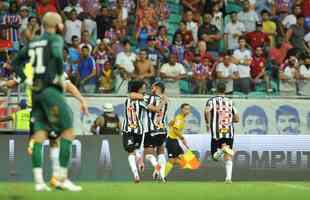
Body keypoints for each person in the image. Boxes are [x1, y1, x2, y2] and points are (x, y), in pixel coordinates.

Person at [8, 12, 81, 191]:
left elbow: (15, 62)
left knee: (39, 136)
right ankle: (62, 178)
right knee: (68, 132)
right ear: (57, 24)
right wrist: (57, 75)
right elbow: (56, 54)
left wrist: (27, 80)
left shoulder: (33, 42)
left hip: (36, 93)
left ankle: (39, 182)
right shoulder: (54, 38)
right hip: (50, 90)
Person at [130, 81, 168, 181]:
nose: (151, 89)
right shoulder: (165, 99)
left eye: (152, 87)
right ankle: (163, 175)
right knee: (161, 152)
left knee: (148, 154)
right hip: (162, 129)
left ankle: (158, 168)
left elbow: (132, 95)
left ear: (156, 88)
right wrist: (163, 101)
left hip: (151, 130)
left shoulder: (148, 98)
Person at [205, 82, 240, 183]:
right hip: (229, 131)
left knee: (214, 156)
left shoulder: (211, 101)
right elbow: (237, 119)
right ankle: (228, 178)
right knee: (227, 155)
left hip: (217, 131)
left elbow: (207, 111)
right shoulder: (231, 102)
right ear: (225, 90)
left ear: (216, 90)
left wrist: (208, 123)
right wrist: (229, 120)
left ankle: (221, 150)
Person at [164, 103, 191, 180]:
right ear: (181, 109)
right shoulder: (179, 118)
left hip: (174, 140)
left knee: (184, 160)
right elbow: (175, 130)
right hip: (171, 141)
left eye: (188, 109)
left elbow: (170, 124)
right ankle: (161, 173)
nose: (187, 111)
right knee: (172, 161)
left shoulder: (180, 118)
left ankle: (160, 171)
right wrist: (182, 138)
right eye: (186, 109)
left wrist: (172, 126)